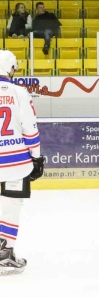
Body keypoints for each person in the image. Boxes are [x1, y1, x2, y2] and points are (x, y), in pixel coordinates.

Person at [0, 50, 43, 275]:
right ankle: (4, 252)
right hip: (15, 162)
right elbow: (30, 128)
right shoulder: (19, 92)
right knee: (11, 207)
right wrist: (37, 156)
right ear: (10, 68)